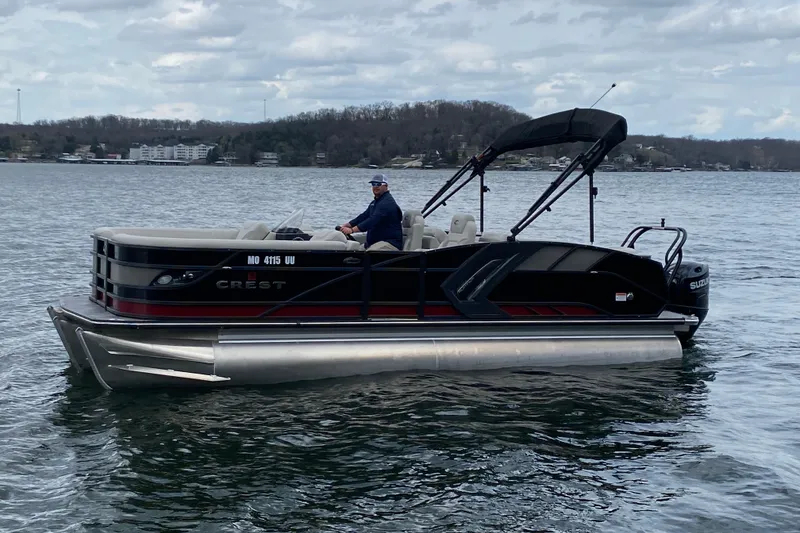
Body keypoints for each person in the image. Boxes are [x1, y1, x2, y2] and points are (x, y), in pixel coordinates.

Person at [340, 174, 403, 250]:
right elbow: (364, 216)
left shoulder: (387, 203)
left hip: (390, 243)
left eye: (378, 184)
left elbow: (372, 220)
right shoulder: (375, 202)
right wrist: (347, 225)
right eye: (373, 184)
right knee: (355, 251)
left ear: (386, 186)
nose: (375, 187)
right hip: (375, 243)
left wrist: (352, 230)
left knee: (369, 253)